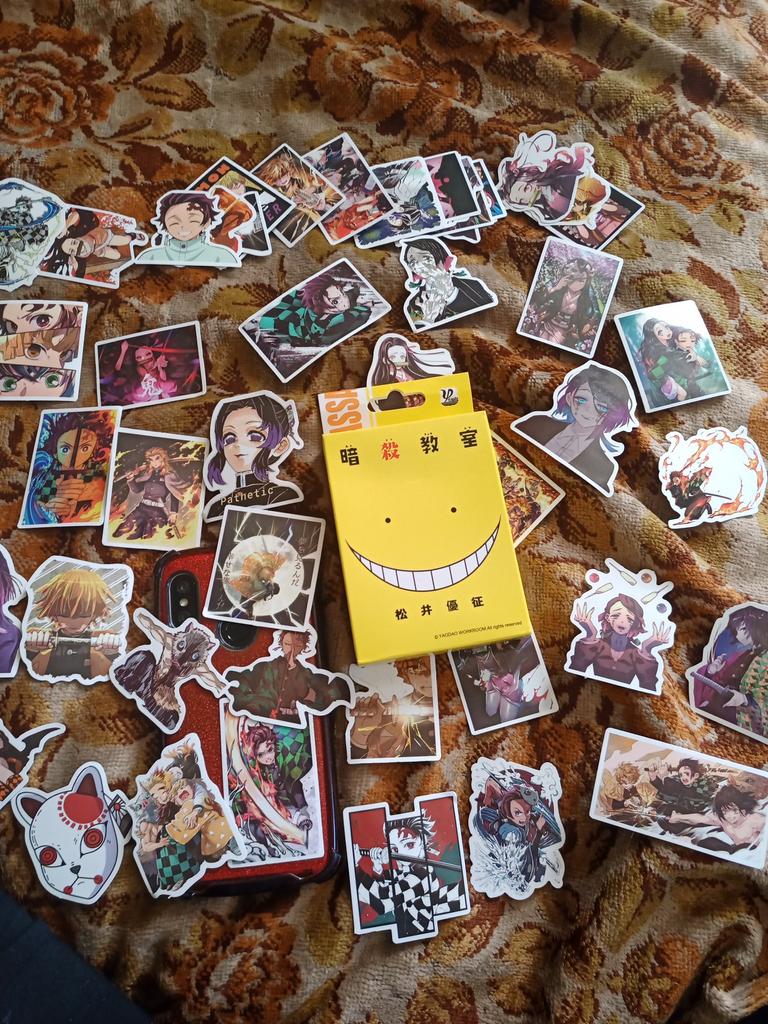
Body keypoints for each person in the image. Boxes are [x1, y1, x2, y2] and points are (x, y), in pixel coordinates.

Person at [514, 363, 635, 494]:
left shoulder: (603, 467)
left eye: (601, 407)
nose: (588, 410)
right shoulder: (537, 423)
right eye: (581, 400)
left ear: (613, 415)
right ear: (570, 398)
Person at [205, 393, 302, 517]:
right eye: (229, 438)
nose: (239, 445)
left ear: (280, 446)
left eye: (255, 436)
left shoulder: (284, 495)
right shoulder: (217, 508)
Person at [25, 568, 120, 681]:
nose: (74, 622)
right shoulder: (39, 641)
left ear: (95, 614)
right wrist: (32, 650)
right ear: (53, 612)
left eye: (83, 615)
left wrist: (111, 652)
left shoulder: (103, 642)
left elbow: (113, 675)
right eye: (65, 614)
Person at [24, 410, 114, 526]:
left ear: (93, 451)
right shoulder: (53, 474)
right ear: (55, 452)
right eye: (65, 449)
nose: (74, 457)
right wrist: (52, 505)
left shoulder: (94, 471)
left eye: (85, 448)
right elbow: (41, 501)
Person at [567, 594, 669, 690]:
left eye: (629, 618)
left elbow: (648, 686)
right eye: (616, 615)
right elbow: (575, 670)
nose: (622, 621)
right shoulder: (598, 645)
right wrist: (590, 636)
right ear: (607, 617)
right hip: (590, 689)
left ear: (635, 623)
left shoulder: (636, 655)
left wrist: (647, 650)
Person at [475, 777, 562, 885]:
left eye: (527, 811)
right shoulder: (511, 833)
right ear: (508, 814)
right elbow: (525, 863)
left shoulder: (522, 824)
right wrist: (539, 832)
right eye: (517, 813)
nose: (524, 817)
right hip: (512, 874)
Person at [255, 269, 373, 348]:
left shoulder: (343, 313)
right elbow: (268, 318)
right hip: (295, 325)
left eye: (342, 293)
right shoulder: (301, 305)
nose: (344, 301)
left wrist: (361, 305)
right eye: (335, 301)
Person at [400, 237, 496, 328]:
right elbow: (417, 330)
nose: (419, 265)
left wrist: (451, 294)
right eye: (412, 262)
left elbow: (487, 308)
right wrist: (428, 319)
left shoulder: (473, 285)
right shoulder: (414, 303)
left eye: (425, 258)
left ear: (438, 255)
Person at [135, 191, 239, 267]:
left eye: (193, 220)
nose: (183, 226)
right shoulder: (150, 256)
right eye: (174, 222)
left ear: (207, 223)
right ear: (164, 225)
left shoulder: (222, 257)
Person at [524, 256, 603, 352]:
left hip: (564, 330)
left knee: (551, 345)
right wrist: (555, 288)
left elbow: (596, 313)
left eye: (581, 281)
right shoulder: (559, 284)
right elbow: (535, 298)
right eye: (573, 278)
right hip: (548, 322)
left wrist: (589, 324)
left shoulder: (587, 296)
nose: (576, 283)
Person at [113, 446, 186, 541]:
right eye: (151, 460)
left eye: (157, 458)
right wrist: (131, 479)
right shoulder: (148, 474)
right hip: (141, 508)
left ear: (163, 458)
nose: (154, 462)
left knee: (148, 537)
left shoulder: (170, 475)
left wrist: (173, 513)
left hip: (157, 512)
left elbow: (174, 494)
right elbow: (137, 490)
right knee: (121, 531)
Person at [39, 208, 133, 279]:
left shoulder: (82, 230)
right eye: (72, 250)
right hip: (98, 250)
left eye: (74, 243)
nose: (75, 247)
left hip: (103, 238)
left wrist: (66, 226)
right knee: (116, 256)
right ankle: (113, 247)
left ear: (75, 238)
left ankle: (132, 236)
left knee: (126, 241)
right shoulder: (78, 257)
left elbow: (77, 215)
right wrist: (75, 265)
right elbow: (79, 272)